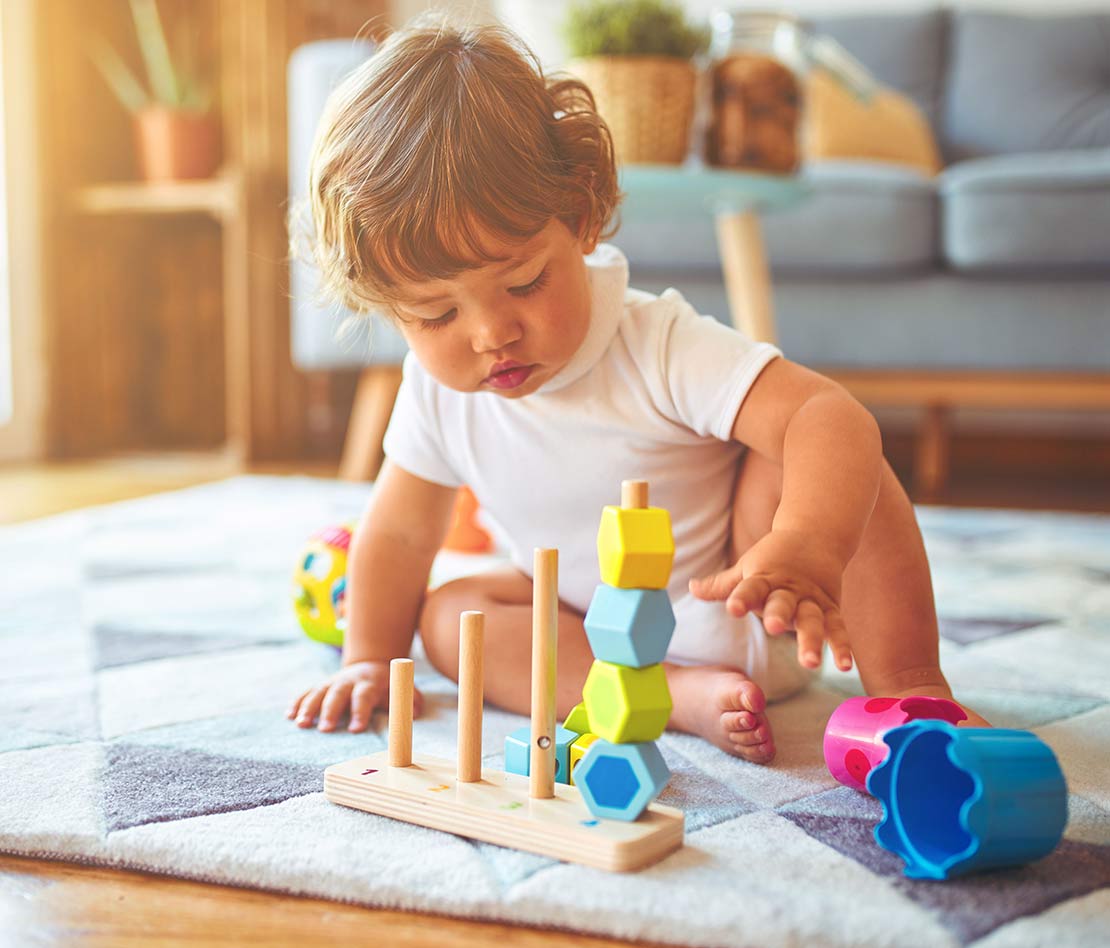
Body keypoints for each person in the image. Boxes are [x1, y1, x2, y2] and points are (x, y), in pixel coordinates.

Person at [287, 18, 986, 762]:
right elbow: (396, 534)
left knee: (833, 455)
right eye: (435, 313)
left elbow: (829, 414)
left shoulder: (656, 342)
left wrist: (805, 545)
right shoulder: (435, 391)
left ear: (582, 218)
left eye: (523, 282)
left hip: (746, 600)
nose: (491, 334)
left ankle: (911, 686)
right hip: (595, 635)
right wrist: (367, 657)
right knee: (453, 617)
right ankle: (670, 697)